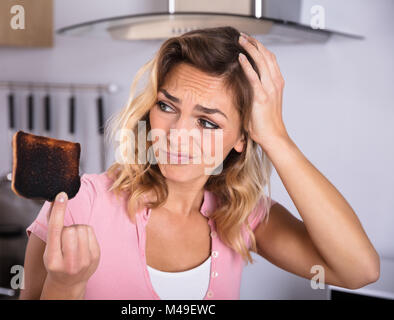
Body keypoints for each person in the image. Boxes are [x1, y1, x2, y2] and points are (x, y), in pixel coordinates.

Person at [19, 26, 379, 300]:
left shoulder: (241, 217)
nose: (177, 134)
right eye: (167, 106)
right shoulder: (80, 203)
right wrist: (65, 285)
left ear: (243, 137)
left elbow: (358, 271)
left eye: (207, 122)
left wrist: (276, 138)